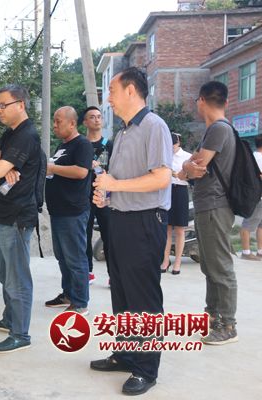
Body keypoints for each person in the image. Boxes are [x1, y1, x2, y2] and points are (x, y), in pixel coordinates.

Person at [90, 67, 172, 396]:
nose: (108, 97)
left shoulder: (154, 125)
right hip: (120, 218)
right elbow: (122, 181)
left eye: (112, 89)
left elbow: (161, 177)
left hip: (145, 221)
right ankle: (125, 354)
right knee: (122, 293)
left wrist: (115, 184)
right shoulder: (123, 132)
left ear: (130, 90)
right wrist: (107, 194)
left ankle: (146, 368)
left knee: (143, 297)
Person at [0, 84, 41, 354]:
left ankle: (21, 333)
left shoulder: (26, 135)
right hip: (4, 214)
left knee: (17, 277)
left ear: (21, 105)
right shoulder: (11, 134)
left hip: (17, 216)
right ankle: (10, 318)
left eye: (4, 105)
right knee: (6, 274)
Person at [180, 81, 238, 345]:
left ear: (201, 101)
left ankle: (228, 325)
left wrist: (187, 165)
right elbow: (189, 169)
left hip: (215, 205)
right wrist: (187, 166)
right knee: (210, 266)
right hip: (209, 206)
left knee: (220, 267)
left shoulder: (218, 129)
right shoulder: (216, 130)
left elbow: (196, 166)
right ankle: (213, 316)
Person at [44, 106, 93, 315]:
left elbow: (81, 172)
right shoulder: (62, 145)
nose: (54, 125)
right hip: (58, 210)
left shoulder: (82, 144)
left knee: (75, 258)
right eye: (54, 121)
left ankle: (80, 302)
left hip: (73, 211)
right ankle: (68, 294)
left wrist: (52, 168)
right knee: (63, 257)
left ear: (72, 123)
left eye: (58, 121)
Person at [82, 106, 112, 285]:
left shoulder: (109, 144)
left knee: (109, 234)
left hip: (104, 196)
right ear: (85, 122)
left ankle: (113, 274)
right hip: (84, 195)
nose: (97, 120)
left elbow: (116, 168)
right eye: (92, 117)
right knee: (84, 234)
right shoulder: (80, 144)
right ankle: (87, 271)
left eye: (99, 116)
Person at [161, 133, 192, 274]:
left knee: (179, 229)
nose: (171, 147)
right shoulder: (164, 155)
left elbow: (190, 177)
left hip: (180, 191)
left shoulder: (187, 157)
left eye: (173, 144)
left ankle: (178, 262)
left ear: (178, 142)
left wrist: (177, 175)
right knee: (166, 228)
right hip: (166, 191)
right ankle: (165, 260)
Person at [239, 134, 262, 261]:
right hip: (257, 196)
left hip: (257, 196)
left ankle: (260, 251)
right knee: (248, 224)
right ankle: (246, 252)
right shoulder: (257, 158)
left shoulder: (253, 157)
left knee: (260, 225)